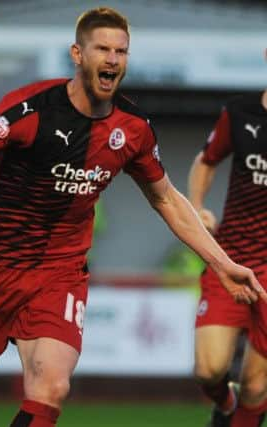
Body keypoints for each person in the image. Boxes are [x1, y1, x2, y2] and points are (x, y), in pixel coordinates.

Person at [0, 8, 265, 427]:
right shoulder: (30, 110)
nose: (113, 59)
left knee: (51, 389)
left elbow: (168, 200)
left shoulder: (133, 129)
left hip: (59, 274)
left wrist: (223, 263)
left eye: (122, 51)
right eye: (103, 48)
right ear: (77, 54)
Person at [189, 51, 267, 427]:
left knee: (257, 385)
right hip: (231, 262)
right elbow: (206, 161)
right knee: (208, 369)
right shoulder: (239, 112)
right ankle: (224, 402)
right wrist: (197, 207)